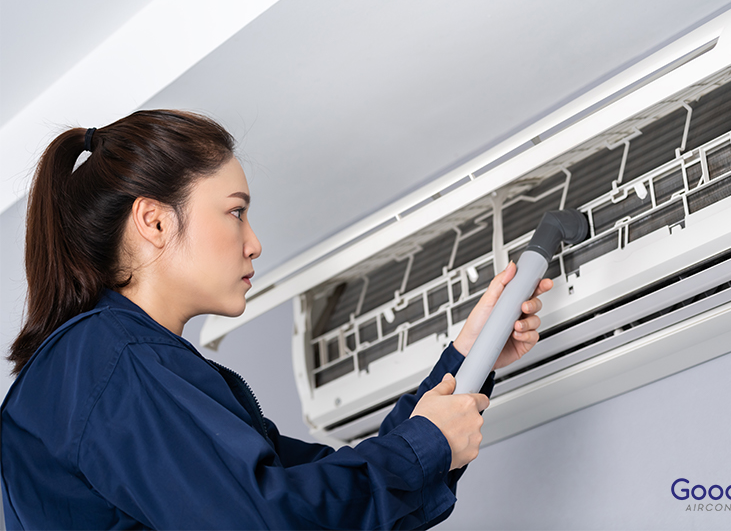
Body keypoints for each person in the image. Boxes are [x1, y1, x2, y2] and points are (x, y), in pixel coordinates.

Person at [0, 110, 552, 529]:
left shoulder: (128, 369)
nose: (255, 243)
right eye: (235, 212)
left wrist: (467, 357)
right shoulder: (114, 364)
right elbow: (274, 520)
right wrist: (427, 443)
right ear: (154, 221)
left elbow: (333, 504)